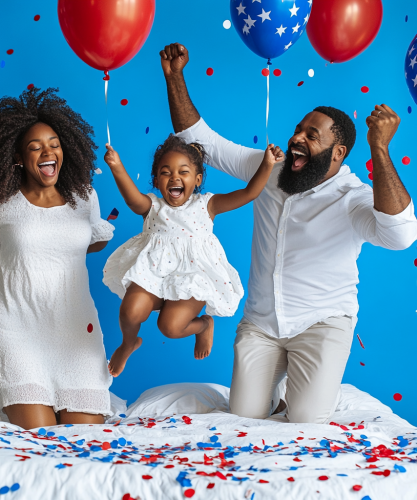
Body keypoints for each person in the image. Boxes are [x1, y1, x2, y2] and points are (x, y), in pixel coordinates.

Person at [159, 43, 417, 423]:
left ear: (338, 152)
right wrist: (175, 77)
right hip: (262, 324)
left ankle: (301, 397)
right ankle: (275, 398)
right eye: (298, 130)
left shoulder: (353, 198)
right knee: (245, 415)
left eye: (312, 135)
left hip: (322, 322)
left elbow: (400, 236)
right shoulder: (269, 170)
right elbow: (204, 144)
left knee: (307, 419)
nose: (298, 138)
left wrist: (379, 149)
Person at [0, 87, 115, 429]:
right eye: (35, 147)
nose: (48, 151)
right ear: (17, 157)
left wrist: (68, 244)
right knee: (41, 438)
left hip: (75, 329)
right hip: (15, 326)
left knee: (84, 437)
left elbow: (91, 242)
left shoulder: (85, 196)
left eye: (54, 143)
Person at [102, 135, 284, 377]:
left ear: (197, 180)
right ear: (156, 181)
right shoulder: (153, 207)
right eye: (166, 173)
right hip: (155, 275)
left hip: (191, 277)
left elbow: (250, 193)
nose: (175, 177)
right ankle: (128, 343)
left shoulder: (207, 205)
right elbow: (132, 200)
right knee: (130, 311)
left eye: (183, 172)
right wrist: (117, 166)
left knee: (169, 327)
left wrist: (267, 163)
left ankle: (204, 325)